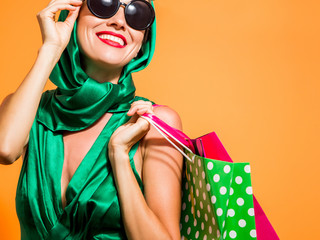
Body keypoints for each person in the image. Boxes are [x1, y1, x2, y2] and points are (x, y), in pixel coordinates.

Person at [0, 0, 183, 239]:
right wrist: (50, 49)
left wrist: (119, 156)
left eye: (136, 14)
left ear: (143, 43)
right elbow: (5, 149)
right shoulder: (28, 109)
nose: (119, 22)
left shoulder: (153, 123)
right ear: (74, 14)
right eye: (103, 3)